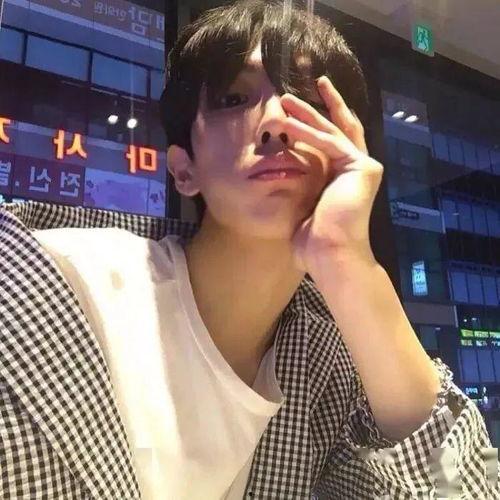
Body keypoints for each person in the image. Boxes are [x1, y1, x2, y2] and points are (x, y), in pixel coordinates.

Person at [0, 1, 498, 498]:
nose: (276, 122)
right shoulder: (42, 294)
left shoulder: (323, 371)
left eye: (309, 103)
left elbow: (459, 488)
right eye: (235, 98)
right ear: (183, 169)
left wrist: (351, 266)